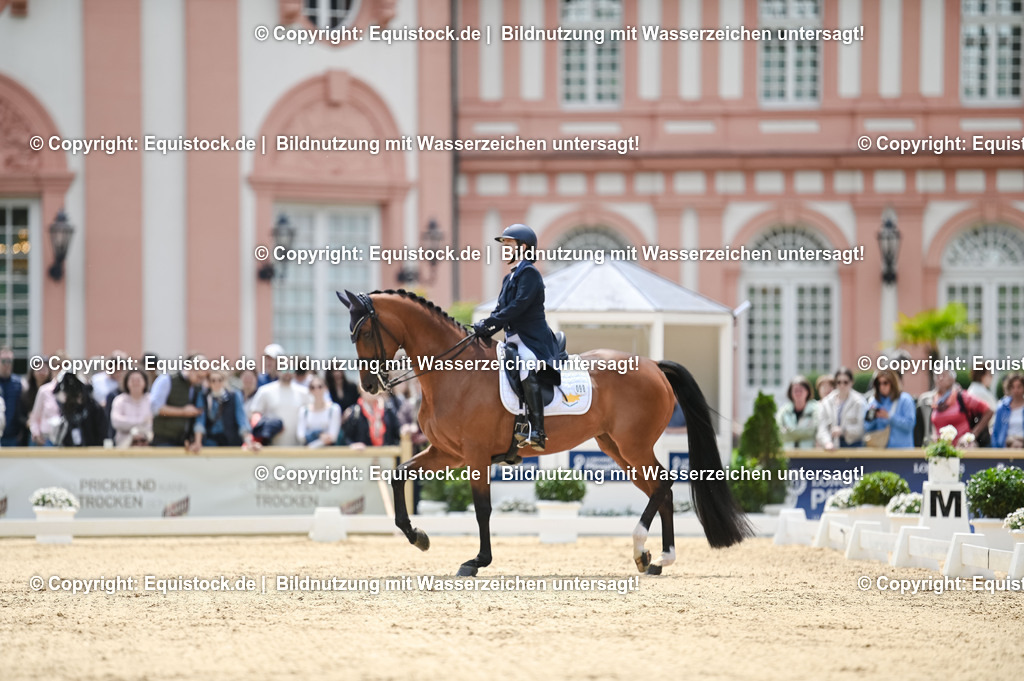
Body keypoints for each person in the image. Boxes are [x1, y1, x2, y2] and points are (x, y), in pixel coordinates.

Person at [473, 223, 561, 451]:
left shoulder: (529, 273)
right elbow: (500, 309)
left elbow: (518, 307)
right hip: (513, 339)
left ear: (523, 248)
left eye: (508, 245)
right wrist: (484, 328)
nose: (504, 250)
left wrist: (490, 323)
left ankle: (538, 430)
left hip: (532, 340)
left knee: (526, 367)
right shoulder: (508, 278)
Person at [150, 354, 206, 448]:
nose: (200, 380)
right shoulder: (166, 380)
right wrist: (183, 412)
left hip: (185, 442)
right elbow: (156, 408)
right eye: (199, 376)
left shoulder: (198, 387)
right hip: (164, 440)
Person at [247, 365, 310, 446]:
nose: (287, 372)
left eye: (291, 369)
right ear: (277, 370)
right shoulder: (265, 391)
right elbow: (255, 414)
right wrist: (262, 430)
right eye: (283, 369)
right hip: (271, 447)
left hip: (298, 447)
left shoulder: (304, 393)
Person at [930, 369, 992, 447]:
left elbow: (989, 411)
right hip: (942, 448)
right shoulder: (935, 400)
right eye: (937, 376)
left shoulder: (962, 396)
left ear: (952, 379)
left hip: (963, 448)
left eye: (943, 375)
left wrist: (972, 435)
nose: (940, 378)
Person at [195, 369, 255, 448]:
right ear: (209, 382)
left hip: (231, 440)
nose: (216, 383)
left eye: (220, 380)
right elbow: (200, 421)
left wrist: (249, 443)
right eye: (213, 380)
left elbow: (242, 420)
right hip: (210, 441)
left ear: (224, 381)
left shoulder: (234, 396)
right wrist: (197, 443)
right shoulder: (204, 397)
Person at [862, 369, 916, 448]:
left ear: (893, 383)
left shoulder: (905, 399)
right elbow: (866, 427)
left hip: (902, 450)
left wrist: (889, 417)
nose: (882, 387)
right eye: (879, 383)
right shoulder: (874, 402)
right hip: (880, 450)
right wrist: (873, 417)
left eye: (885, 383)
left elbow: (910, 425)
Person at [815, 367, 866, 449]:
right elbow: (822, 428)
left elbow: (862, 428)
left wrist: (843, 431)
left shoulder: (859, 402)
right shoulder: (827, 402)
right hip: (832, 448)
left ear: (851, 382)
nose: (842, 385)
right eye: (839, 382)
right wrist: (827, 442)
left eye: (845, 382)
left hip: (854, 448)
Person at [109, 370, 153, 447]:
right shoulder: (119, 400)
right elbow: (116, 422)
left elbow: (152, 423)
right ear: (126, 382)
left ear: (145, 382)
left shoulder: (152, 400)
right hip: (123, 444)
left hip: (148, 443)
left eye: (138, 380)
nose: (135, 383)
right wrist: (141, 421)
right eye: (132, 380)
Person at [296, 376, 342, 448]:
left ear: (325, 388)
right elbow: (300, 436)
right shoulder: (304, 411)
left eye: (320, 387)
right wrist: (318, 435)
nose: (316, 390)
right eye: (313, 387)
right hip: (308, 453)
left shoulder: (334, 409)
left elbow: (332, 437)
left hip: (328, 451)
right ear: (309, 390)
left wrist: (312, 445)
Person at [776, 375, 818, 449]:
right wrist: (804, 432)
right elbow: (778, 432)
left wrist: (789, 432)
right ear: (790, 393)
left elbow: (813, 431)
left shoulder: (816, 409)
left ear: (807, 391)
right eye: (795, 391)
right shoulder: (783, 411)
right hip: (788, 452)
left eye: (801, 390)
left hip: (809, 453)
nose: (798, 393)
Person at [17, 359, 52, 446]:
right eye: (38, 369)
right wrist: (28, 422)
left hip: (48, 433)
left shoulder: (53, 391)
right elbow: (20, 415)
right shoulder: (26, 393)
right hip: (30, 434)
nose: (41, 373)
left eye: (44, 369)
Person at [992, 373, 1024, 449]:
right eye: (1013, 387)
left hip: (1022, 442)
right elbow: (996, 431)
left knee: (1018, 445)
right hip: (1007, 443)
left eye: (1019, 387)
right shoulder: (1002, 407)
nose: (1016, 390)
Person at [0, 346, 23, 446]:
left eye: (9, 361)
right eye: (3, 361)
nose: (7, 364)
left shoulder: (18, 383)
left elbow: (22, 409)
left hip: (13, 436)